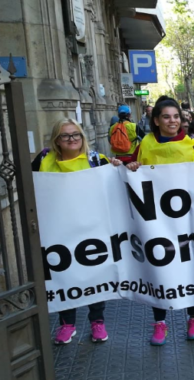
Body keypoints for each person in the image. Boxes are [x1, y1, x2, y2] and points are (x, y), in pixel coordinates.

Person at [125, 96, 194, 346]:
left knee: (190, 266)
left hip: (187, 219)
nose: (172, 121)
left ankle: (193, 317)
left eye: (176, 116)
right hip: (156, 220)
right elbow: (131, 167)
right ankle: (159, 322)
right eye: (166, 116)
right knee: (159, 267)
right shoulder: (145, 145)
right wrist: (130, 166)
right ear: (156, 120)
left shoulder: (193, 146)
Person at [32, 118, 121, 345]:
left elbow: (115, 186)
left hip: (92, 228)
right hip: (57, 230)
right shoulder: (43, 160)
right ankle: (67, 324)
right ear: (56, 140)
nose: (72, 139)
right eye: (65, 135)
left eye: (76, 135)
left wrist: (122, 168)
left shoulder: (96, 160)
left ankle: (97, 322)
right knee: (63, 275)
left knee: (94, 275)